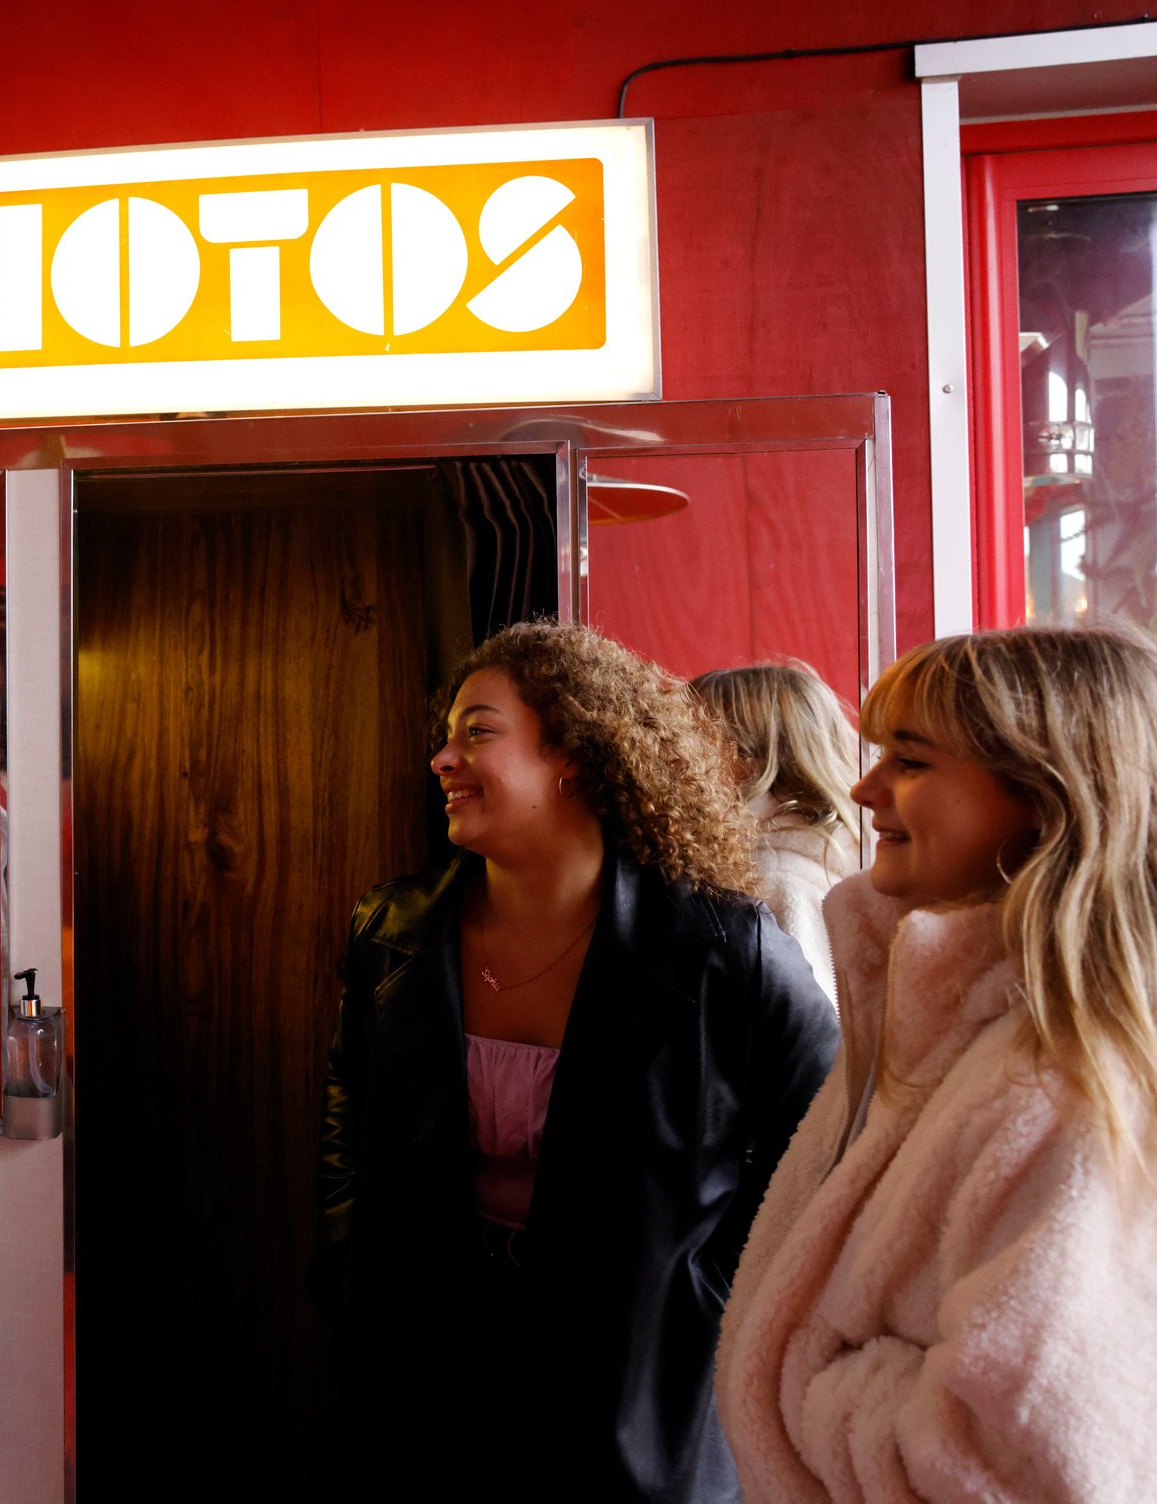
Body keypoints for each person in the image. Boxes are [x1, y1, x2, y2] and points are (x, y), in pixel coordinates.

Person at [314, 622, 838, 1502]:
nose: (442, 759)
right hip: (431, 1362)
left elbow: (825, 1133)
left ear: (577, 757)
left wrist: (709, 1290)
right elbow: (347, 1108)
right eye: (446, 736)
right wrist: (345, 1267)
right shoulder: (395, 927)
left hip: (639, 1372)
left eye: (477, 731)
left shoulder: (718, 946)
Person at [718, 627, 1157, 1500]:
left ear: (1047, 794)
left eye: (910, 761)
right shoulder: (934, 1023)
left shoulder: (1067, 1089)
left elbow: (1029, 1457)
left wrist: (800, 1378)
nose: (864, 789)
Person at [690, 662, 863, 1002]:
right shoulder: (823, 865)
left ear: (748, 758)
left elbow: (809, 1041)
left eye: (693, 741)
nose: (675, 758)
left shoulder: (774, 883)